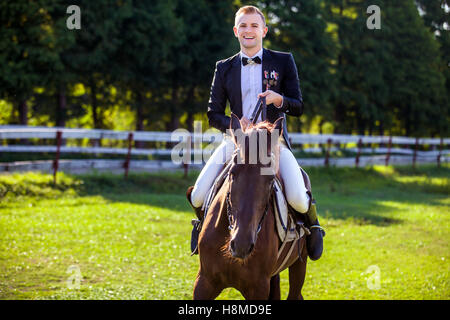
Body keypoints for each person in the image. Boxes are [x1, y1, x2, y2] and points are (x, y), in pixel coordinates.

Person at [186, 5, 325, 260]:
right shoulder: (224, 67)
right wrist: (235, 125)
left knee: (297, 198)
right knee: (197, 194)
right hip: (237, 142)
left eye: (254, 25)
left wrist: (278, 99)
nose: (248, 30)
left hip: (274, 143)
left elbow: (299, 106)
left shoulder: (283, 61)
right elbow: (213, 114)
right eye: (243, 26)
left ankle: (313, 228)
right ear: (235, 31)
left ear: (264, 30)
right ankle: (201, 225)